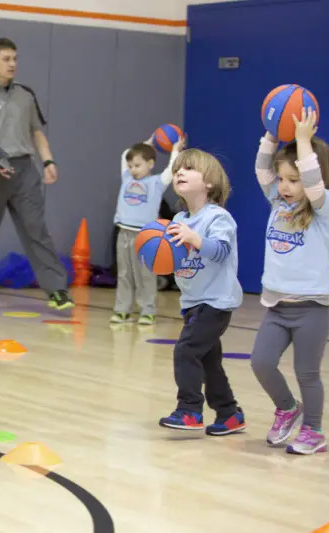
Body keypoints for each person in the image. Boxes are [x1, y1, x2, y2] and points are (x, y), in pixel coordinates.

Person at [250, 108, 329, 455]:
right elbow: (261, 170)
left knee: (307, 374)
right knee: (261, 362)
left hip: (311, 308)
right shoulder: (277, 202)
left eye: (293, 179)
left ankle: (314, 431)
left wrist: (303, 140)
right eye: (282, 179)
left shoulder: (326, 207)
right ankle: (287, 408)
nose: (284, 186)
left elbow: (314, 185)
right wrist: (272, 135)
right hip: (277, 306)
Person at [0, 37, 72, 311]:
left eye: (15, 58)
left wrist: (48, 161)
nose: (12, 64)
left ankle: (57, 289)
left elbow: (36, 131)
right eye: (6, 59)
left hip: (24, 169)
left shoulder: (26, 95)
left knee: (37, 230)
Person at [158, 148, 246, 436]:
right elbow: (172, 259)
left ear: (209, 182)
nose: (179, 172)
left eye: (189, 168)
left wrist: (195, 238)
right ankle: (229, 413)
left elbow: (220, 251)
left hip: (216, 301)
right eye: (177, 169)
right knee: (209, 363)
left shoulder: (217, 217)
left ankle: (189, 410)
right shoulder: (179, 218)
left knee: (186, 350)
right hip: (193, 302)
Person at [111, 136, 183, 325]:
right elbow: (125, 154)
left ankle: (147, 310)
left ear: (150, 164)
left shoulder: (156, 183)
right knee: (124, 273)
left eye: (137, 165)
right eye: (131, 166)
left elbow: (171, 169)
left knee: (146, 275)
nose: (133, 169)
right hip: (124, 233)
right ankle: (121, 310)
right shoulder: (126, 177)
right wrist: (147, 143)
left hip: (145, 236)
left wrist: (175, 150)